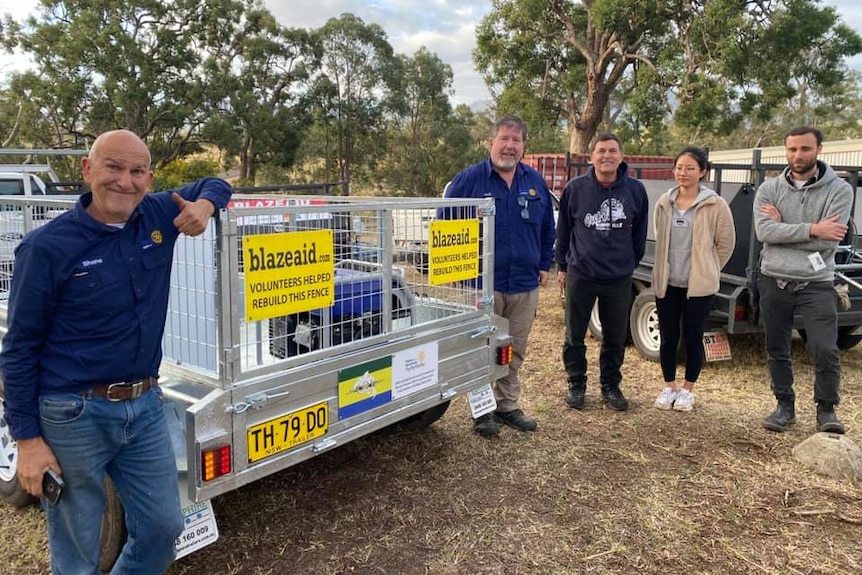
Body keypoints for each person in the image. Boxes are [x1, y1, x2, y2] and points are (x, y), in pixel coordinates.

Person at [0, 129, 233, 574]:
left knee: (163, 529)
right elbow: (19, 348)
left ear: (149, 178)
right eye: (113, 167)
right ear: (87, 170)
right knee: (77, 550)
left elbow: (215, 182)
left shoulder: (159, 215)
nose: (125, 181)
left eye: (137, 171)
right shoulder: (47, 248)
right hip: (73, 415)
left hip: (145, 407)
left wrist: (205, 205)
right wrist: (27, 441)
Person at [443, 115, 556, 437]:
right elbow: (446, 224)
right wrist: (453, 268)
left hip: (523, 282)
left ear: (523, 146)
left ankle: (507, 405)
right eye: (504, 138)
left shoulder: (534, 181)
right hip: (480, 283)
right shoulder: (468, 181)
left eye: (516, 140)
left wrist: (544, 264)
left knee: (514, 348)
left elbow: (548, 227)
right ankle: (483, 411)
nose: (510, 145)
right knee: (481, 346)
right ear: (490, 142)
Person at [754, 126, 852, 434]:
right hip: (774, 279)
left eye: (805, 149)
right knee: (777, 347)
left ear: (819, 149)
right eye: (792, 149)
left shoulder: (839, 190)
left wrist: (787, 227)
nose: (798, 155)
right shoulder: (769, 189)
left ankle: (826, 409)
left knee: (825, 348)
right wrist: (812, 228)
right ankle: (784, 406)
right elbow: (764, 233)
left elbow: (829, 242)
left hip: (817, 281)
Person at [556, 133, 649, 411]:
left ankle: (610, 385)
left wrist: (628, 264)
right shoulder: (575, 189)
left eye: (612, 151)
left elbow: (640, 233)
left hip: (617, 278)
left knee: (614, 336)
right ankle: (576, 384)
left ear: (621, 157)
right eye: (601, 151)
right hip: (581, 274)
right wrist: (562, 265)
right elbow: (564, 232)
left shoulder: (634, 191)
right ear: (591, 157)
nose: (606, 156)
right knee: (574, 335)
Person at [652, 147, 736, 412]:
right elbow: (659, 236)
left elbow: (726, 244)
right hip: (668, 282)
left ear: (702, 172)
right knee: (668, 337)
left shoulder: (715, 205)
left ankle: (688, 390)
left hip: (698, 287)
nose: (683, 173)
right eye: (679, 167)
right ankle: (669, 387)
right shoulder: (665, 202)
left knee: (692, 336)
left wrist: (708, 268)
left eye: (690, 168)